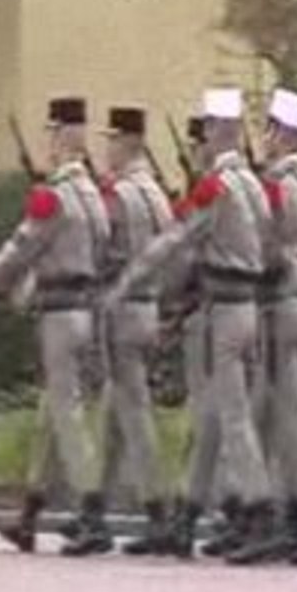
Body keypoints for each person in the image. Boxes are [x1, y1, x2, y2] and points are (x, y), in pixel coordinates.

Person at [110, 88, 276, 564]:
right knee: (209, 421)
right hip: (245, 305)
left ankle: (258, 511)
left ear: (209, 134)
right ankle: (187, 514)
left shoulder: (215, 186)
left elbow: (177, 246)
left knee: (233, 416)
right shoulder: (253, 185)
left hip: (222, 308)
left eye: (200, 132)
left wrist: (136, 284)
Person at [0, 98, 112, 557]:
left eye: (52, 133)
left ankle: (92, 511)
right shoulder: (92, 194)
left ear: (61, 135)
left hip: (60, 314)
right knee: (51, 417)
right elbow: (99, 245)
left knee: (66, 417)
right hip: (83, 308)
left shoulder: (56, 194)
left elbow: (21, 246)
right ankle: (30, 510)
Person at [227, 89, 297, 565]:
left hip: (283, 299)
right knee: (280, 413)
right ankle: (296, 515)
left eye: (270, 129)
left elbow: (272, 247)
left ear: (285, 134)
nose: (265, 138)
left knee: (285, 414)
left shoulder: (282, 184)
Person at [96, 106, 174, 555]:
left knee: (135, 413)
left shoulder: (120, 195)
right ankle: (96, 508)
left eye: (112, 140)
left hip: (123, 310)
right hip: (149, 307)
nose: (107, 148)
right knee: (116, 413)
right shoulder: (157, 195)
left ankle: (156, 510)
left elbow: (102, 251)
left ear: (126, 143)